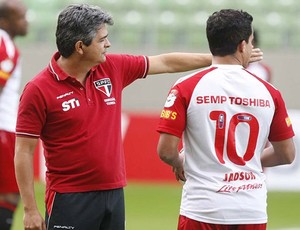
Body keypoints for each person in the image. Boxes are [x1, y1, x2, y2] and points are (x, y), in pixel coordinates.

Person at [14, 4, 262, 230]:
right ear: (80, 47)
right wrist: (30, 209)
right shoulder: (38, 90)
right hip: (69, 198)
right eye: (102, 40)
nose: (108, 45)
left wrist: (222, 60)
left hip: (114, 194)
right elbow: (23, 151)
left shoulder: (112, 68)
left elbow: (165, 62)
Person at [157, 9, 295, 230]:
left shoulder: (185, 87)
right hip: (250, 210)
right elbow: (286, 154)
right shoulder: (270, 92)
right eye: (251, 42)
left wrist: (180, 162)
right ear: (242, 45)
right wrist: (243, 163)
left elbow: (166, 151)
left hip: (202, 208)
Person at [0, 0, 28, 229]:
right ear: (4, 21)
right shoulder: (4, 44)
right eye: (20, 17)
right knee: (10, 193)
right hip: (3, 128)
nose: (25, 22)